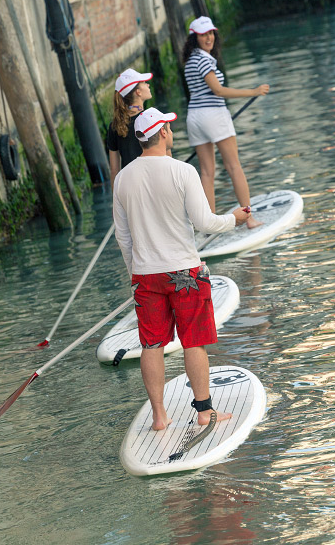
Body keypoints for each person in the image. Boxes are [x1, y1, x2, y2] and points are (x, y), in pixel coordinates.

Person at [113, 107, 250, 430]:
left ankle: (160, 416)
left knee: (151, 344)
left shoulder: (122, 179)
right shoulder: (183, 171)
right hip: (185, 273)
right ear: (162, 133)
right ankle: (204, 412)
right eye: (170, 128)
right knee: (193, 342)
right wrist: (235, 218)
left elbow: (123, 236)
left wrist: (136, 270)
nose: (172, 133)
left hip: (145, 275)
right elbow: (205, 224)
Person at [182, 16, 269, 229]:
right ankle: (249, 219)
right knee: (234, 167)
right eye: (204, 34)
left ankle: (208, 224)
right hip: (213, 115)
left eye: (211, 33)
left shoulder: (190, 61)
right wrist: (253, 91)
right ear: (195, 38)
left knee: (206, 173)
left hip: (194, 118)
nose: (209, 37)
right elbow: (218, 90)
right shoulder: (203, 60)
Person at [107, 68, 153, 185]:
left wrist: (116, 202)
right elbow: (166, 157)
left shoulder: (114, 126)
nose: (148, 85)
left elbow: (114, 171)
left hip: (130, 187)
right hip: (152, 183)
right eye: (144, 83)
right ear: (138, 92)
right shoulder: (152, 119)